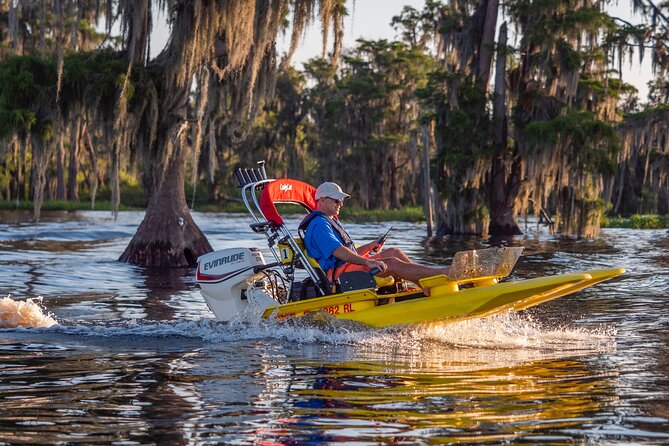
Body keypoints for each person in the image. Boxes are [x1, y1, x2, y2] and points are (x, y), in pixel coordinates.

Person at [301, 182, 450, 294]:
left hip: (345, 266)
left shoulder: (329, 220)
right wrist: (368, 261)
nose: (340, 203)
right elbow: (339, 252)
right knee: (391, 263)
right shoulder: (319, 225)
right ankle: (442, 274)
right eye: (336, 200)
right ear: (321, 200)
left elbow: (348, 252)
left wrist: (370, 246)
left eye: (341, 200)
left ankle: (424, 284)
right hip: (338, 275)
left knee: (393, 252)